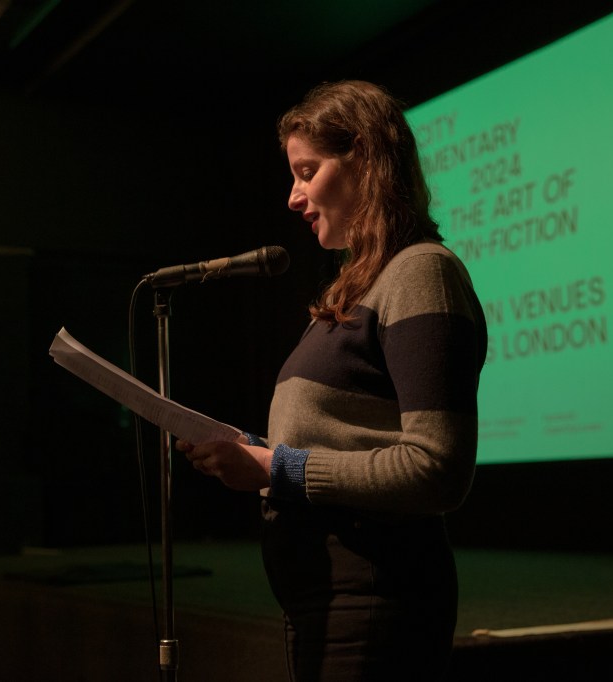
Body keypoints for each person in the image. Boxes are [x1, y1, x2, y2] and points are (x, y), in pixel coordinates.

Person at [176, 80, 487, 681]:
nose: (293, 197)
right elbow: (341, 440)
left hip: (375, 598)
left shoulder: (421, 272)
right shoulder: (359, 288)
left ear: (365, 160)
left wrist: (275, 468)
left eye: (307, 171)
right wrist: (248, 453)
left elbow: (437, 469)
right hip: (324, 602)